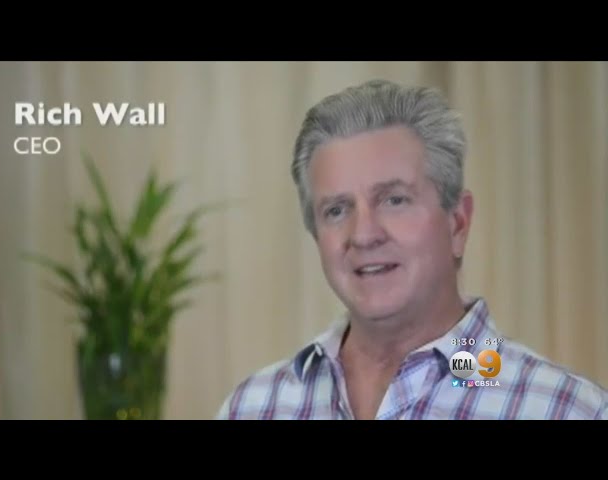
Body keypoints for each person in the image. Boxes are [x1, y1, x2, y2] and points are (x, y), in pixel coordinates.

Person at [216, 79, 608, 420]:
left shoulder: (568, 410)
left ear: (458, 223)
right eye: (336, 210)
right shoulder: (253, 407)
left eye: (394, 200)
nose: (364, 235)